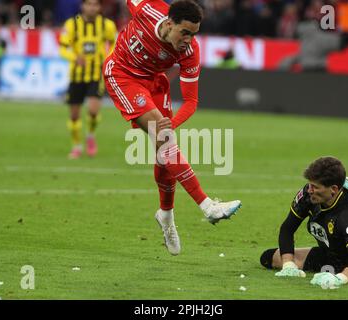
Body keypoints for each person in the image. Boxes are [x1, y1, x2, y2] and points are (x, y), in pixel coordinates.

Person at [102, 0, 242, 255]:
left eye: (194, 34)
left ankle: (166, 215)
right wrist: (165, 128)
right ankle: (207, 205)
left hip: (154, 84)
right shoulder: (145, 8)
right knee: (165, 139)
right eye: (184, 32)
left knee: (163, 149)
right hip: (122, 75)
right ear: (169, 24)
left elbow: (191, 102)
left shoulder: (190, 52)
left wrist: (172, 123)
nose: (189, 39)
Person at [260, 156, 348, 289]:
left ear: (333, 189)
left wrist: (340, 279)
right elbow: (287, 229)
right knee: (269, 257)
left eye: (315, 187)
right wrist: (288, 265)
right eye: (310, 185)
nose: (309, 190)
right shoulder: (308, 195)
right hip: (327, 254)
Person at [59, 0, 117, 159]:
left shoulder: (107, 25)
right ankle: (77, 145)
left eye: (95, 4)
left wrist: (108, 58)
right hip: (77, 75)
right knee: (74, 116)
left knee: (92, 110)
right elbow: (62, 47)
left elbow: (114, 43)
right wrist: (74, 57)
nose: (92, 7)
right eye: (89, 4)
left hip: (96, 74)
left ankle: (90, 135)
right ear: (83, 6)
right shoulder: (72, 24)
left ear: (99, 7)